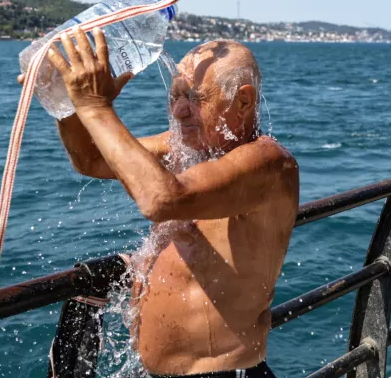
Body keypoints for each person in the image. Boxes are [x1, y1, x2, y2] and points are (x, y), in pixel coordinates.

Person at [40, 28, 299, 378]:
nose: (178, 111)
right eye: (175, 96)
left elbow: (162, 199)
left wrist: (96, 106)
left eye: (195, 98)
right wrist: (67, 102)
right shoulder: (183, 148)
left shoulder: (267, 164)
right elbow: (90, 160)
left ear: (243, 101)